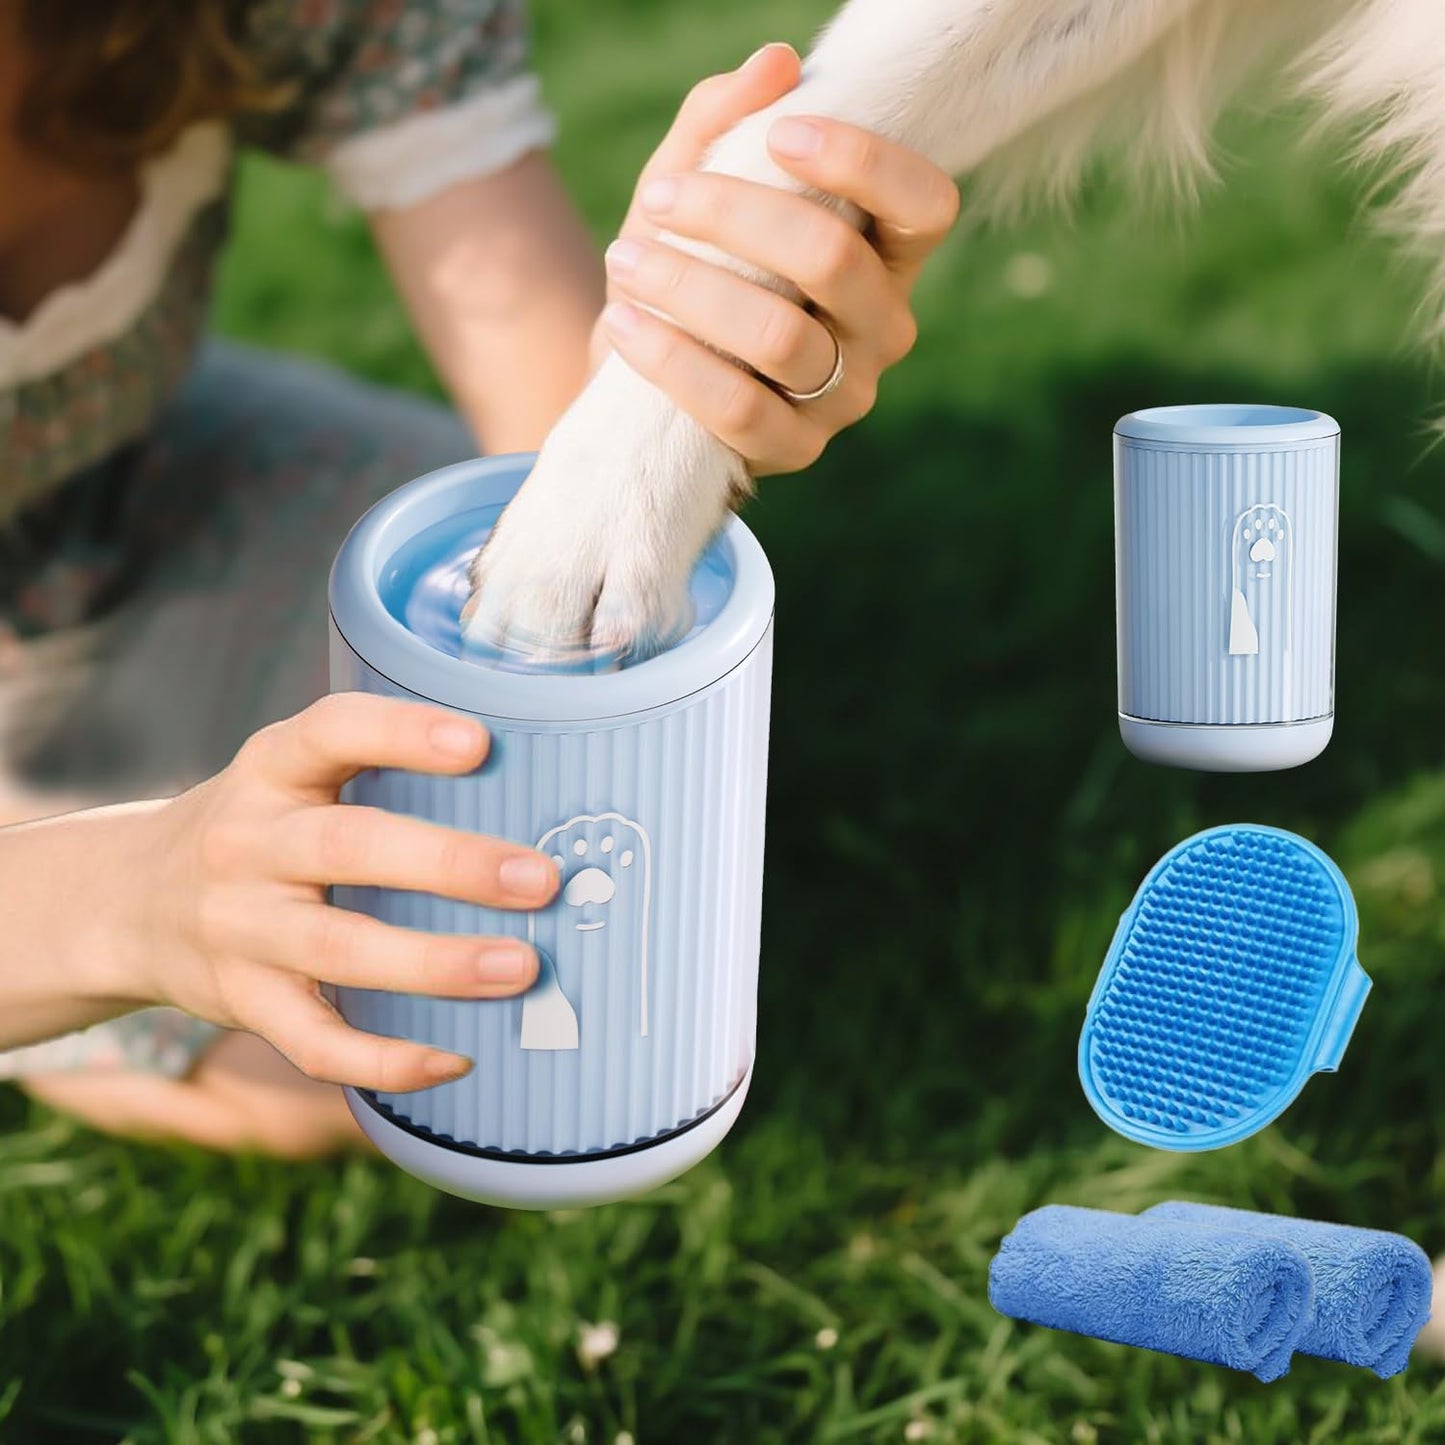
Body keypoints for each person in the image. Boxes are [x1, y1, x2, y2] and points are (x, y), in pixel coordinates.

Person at [0, 2, 960, 1157]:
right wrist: (130, 898)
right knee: (360, 1054)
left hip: (118, 489)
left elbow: (550, 450)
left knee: (559, 701)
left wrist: (672, 374)